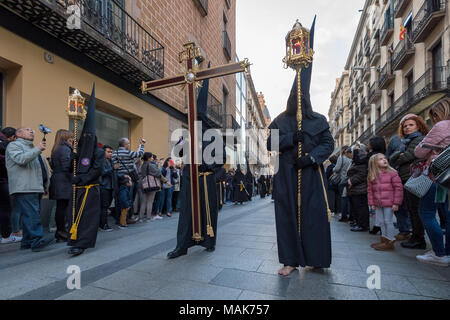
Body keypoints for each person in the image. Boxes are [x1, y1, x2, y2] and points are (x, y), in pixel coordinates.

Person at [267, 17, 335, 276]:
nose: (299, 100)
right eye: (296, 97)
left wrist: (311, 158)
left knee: (313, 216)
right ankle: (290, 261)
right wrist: (289, 140)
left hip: (312, 175)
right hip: (285, 175)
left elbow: (328, 143)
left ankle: (316, 257)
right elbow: (270, 143)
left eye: (303, 98)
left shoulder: (318, 120)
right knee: (286, 216)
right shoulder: (280, 120)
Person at [167, 75, 225, 259]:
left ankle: (209, 241)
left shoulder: (213, 135)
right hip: (189, 178)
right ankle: (182, 245)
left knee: (208, 210)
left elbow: (221, 157)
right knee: (186, 212)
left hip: (206, 178)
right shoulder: (187, 134)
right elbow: (177, 153)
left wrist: (209, 167)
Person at [67, 84, 105, 256]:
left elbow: (97, 170)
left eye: (90, 137)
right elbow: (71, 168)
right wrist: (72, 161)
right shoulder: (78, 151)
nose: (87, 139)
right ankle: (73, 239)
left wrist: (83, 179)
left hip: (90, 188)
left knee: (87, 217)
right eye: (86, 137)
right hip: (77, 188)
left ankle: (83, 243)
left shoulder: (99, 152)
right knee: (73, 215)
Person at [414, 98, 450, 266]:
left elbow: (419, 151)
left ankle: (439, 253)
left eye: (434, 115)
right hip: (447, 178)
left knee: (426, 212)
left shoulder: (442, 126)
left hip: (438, 175)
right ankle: (447, 253)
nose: (434, 119)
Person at [5, 127, 53, 252]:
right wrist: (38, 149)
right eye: (27, 130)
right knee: (32, 214)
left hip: (35, 186)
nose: (31, 131)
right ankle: (37, 241)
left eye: (32, 130)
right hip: (24, 186)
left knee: (29, 214)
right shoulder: (14, 146)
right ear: (18, 134)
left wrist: (44, 184)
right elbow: (20, 160)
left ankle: (26, 242)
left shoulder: (33, 148)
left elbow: (41, 169)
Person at [389, 114, 429, 247]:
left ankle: (419, 239)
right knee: (412, 209)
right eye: (405, 126)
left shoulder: (419, 139)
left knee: (416, 209)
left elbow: (407, 157)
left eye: (411, 125)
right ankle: (415, 237)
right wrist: (397, 156)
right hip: (407, 177)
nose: (407, 128)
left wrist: (396, 157)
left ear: (418, 126)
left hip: (414, 177)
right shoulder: (407, 141)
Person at [367, 153, 403, 251]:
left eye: (384, 158)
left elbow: (398, 189)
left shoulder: (393, 173)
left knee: (388, 221)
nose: (384, 160)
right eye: (380, 159)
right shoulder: (372, 175)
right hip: (378, 203)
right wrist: (372, 203)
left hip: (389, 203)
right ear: (374, 163)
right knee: (381, 222)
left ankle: (390, 241)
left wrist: (396, 203)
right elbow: (370, 191)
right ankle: (384, 240)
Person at [112, 136, 145, 223]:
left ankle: (119, 218)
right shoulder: (127, 152)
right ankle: (127, 218)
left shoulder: (115, 153)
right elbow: (140, 154)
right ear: (125, 144)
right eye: (128, 143)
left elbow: (114, 166)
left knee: (119, 198)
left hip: (119, 178)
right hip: (128, 178)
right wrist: (142, 145)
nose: (129, 145)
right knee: (128, 198)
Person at [49, 129, 74, 242]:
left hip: (58, 180)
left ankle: (60, 232)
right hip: (64, 181)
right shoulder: (65, 149)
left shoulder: (56, 148)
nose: (72, 139)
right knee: (63, 208)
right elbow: (67, 166)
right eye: (71, 137)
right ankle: (62, 231)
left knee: (61, 207)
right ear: (65, 137)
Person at [0, 127, 21, 244]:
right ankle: (6, 235)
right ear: (12, 137)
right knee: (5, 208)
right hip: (3, 180)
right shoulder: (6, 145)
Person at [139, 152, 164, 222]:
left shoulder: (142, 165)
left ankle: (141, 218)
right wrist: (158, 166)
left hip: (143, 184)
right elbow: (158, 173)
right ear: (149, 158)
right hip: (151, 184)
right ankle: (148, 218)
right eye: (152, 157)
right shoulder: (151, 165)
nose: (153, 158)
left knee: (143, 202)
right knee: (150, 201)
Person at [99, 145, 118, 232]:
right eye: (108, 152)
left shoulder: (110, 161)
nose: (111, 153)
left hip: (110, 186)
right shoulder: (101, 160)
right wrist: (113, 168)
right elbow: (103, 172)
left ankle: (102, 223)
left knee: (106, 206)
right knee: (104, 207)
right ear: (103, 152)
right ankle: (103, 224)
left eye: (111, 152)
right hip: (104, 186)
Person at [334, 146, 352, 222]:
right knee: (349, 198)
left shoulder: (341, 157)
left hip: (343, 180)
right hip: (351, 180)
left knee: (344, 197)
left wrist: (333, 169)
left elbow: (337, 169)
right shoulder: (352, 158)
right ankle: (350, 215)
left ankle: (344, 215)